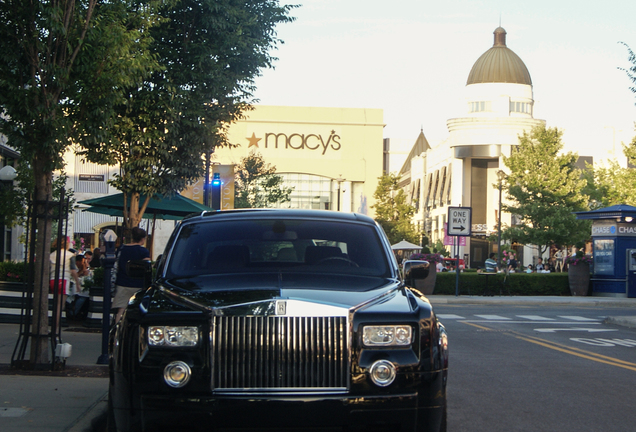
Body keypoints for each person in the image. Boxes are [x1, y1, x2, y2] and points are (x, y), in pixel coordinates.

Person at [113, 227, 151, 324]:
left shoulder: (121, 249)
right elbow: (147, 268)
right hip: (138, 284)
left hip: (122, 283)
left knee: (121, 310)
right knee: (139, 310)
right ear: (143, 239)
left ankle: (118, 332)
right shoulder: (143, 251)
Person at [50, 237, 82, 328]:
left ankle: (54, 326)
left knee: (56, 304)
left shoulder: (52, 254)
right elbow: (73, 270)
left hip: (53, 279)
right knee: (60, 306)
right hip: (63, 279)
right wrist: (77, 283)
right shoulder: (70, 255)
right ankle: (55, 329)